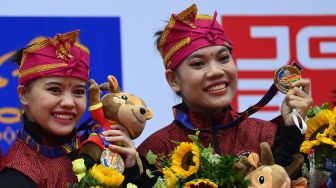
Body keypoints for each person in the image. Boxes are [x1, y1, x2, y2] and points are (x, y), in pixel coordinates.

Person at [135, 4, 312, 187]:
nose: (216, 71)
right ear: (173, 80)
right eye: (198, 64)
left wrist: (292, 129)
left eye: (223, 58)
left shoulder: (266, 135)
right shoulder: (156, 151)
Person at [0, 30, 139, 187]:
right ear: (24, 94)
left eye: (79, 92)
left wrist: (130, 170)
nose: (68, 102)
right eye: (54, 89)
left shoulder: (97, 148)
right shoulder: (17, 174)